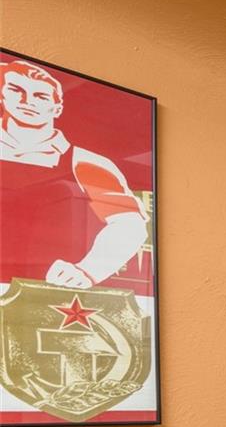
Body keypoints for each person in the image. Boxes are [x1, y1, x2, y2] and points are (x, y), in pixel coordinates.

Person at [0, 58, 148, 290]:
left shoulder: (85, 162)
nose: (27, 101)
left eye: (41, 96)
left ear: (57, 108)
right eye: (16, 90)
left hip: (46, 296)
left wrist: (87, 271)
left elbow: (129, 224)